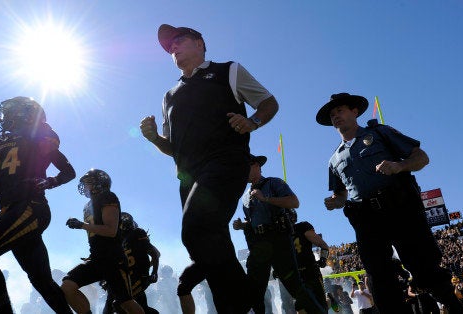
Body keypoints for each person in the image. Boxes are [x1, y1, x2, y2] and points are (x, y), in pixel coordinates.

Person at [140, 24, 279, 313]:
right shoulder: (169, 96)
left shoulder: (228, 70)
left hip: (226, 162)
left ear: (200, 43)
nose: (173, 48)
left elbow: (268, 103)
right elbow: (172, 148)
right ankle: (243, 306)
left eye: (179, 41)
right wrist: (154, 138)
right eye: (169, 48)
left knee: (194, 231)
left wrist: (252, 122)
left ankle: (248, 299)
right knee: (212, 242)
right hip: (188, 177)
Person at [318, 93, 463, 313]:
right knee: (378, 276)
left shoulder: (379, 133)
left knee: (423, 266)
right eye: (332, 114)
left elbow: (421, 157)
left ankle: (454, 306)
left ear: (355, 112)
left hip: (400, 208)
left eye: (340, 110)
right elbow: (341, 195)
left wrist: (399, 166)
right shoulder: (334, 160)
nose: (335, 116)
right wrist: (335, 201)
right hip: (366, 218)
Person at [0, 96, 75, 314]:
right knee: (41, 281)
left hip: (31, 206)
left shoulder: (39, 134)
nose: (4, 117)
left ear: (26, 113)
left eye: (9, 111)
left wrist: (49, 181)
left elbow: (68, 171)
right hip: (11, 209)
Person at [233, 154, 325, 313]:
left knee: (295, 287)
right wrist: (243, 225)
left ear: (256, 165)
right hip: (259, 245)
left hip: (278, 240)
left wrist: (266, 199)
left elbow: (294, 202)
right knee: (254, 291)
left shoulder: (273, 183)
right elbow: (254, 221)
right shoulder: (245, 197)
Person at [61, 169, 144, 314]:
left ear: (99, 183)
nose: (84, 186)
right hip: (96, 258)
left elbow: (111, 231)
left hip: (113, 259)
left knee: (125, 302)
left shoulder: (108, 197)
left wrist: (82, 225)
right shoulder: (87, 206)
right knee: (68, 286)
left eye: (88, 182)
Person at [102, 212, 160, 314]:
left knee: (119, 304)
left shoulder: (137, 234)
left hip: (137, 278)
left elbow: (155, 254)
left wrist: (153, 271)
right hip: (124, 279)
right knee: (113, 304)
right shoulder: (116, 242)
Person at [293, 219, 331, 312]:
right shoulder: (280, 235)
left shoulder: (302, 227)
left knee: (321, 307)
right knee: (301, 308)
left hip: (311, 272)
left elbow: (324, 245)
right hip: (296, 276)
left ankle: (329, 299)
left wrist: (323, 259)